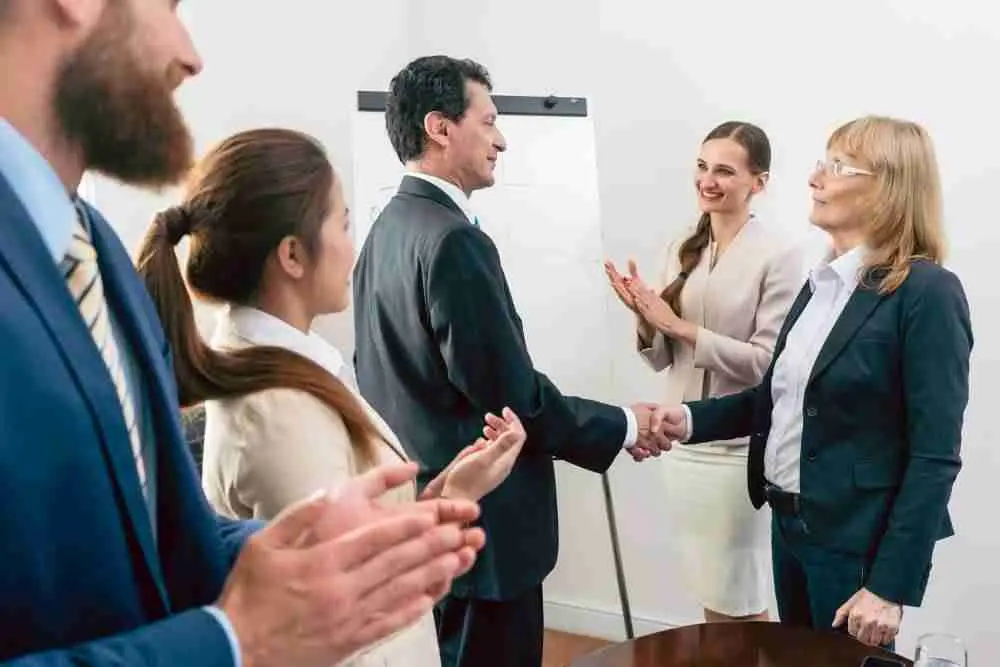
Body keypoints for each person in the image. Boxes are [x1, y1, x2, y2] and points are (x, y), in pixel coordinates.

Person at [0, 1, 484, 664]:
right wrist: (234, 640)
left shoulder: (97, 253)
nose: (191, 57)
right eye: (169, 6)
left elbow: (154, 541)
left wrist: (298, 554)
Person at [136, 127, 528, 667]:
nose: (353, 243)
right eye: (342, 223)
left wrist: (449, 492)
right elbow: (334, 619)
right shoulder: (275, 411)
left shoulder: (288, 368)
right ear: (293, 255)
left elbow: (353, 555)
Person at [351, 55, 669, 667]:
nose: (502, 141)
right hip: (484, 532)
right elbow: (511, 398)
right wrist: (626, 425)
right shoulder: (453, 240)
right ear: (440, 128)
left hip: (425, 513)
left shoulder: (387, 228)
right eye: (489, 122)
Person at [651, 115, 972, 649]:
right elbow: (778, 399)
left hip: (854, 542)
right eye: (823, 162)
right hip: (790, 526)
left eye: (839, 166)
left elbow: (934, 456)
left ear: (888, 188)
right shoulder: (821, 283)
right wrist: (684, 419)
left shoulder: (927, 293)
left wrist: (889, 587)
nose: (815, 177)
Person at [605, 121, 802, 623]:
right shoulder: (681, 246)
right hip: (681, 441)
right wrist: (644, 318)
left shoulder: (780, 255)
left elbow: (768, 363)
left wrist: (679, 325)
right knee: (709, 590)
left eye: (724, 171)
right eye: (701, 166)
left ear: (758, 182)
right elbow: (662, 358)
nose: (707, 180)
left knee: (737, 595)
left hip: (736, 450)